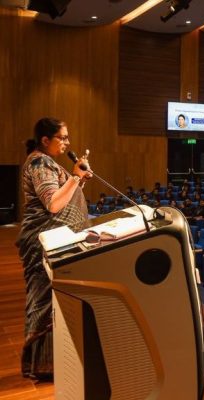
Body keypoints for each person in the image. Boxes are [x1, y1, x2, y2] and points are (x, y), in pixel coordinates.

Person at [17, 117, 93, 380]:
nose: (67, 143)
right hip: (44, 242)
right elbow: (52, 204)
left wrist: (78, 179)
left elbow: (64, 196)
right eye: (63, 137)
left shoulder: (47, 162)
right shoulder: (39, 162)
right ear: (46, 140)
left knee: (55, 302)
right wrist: (74, 176)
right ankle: (41, 366)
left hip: (57, 240)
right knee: (44, 300)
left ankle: (52, 363)